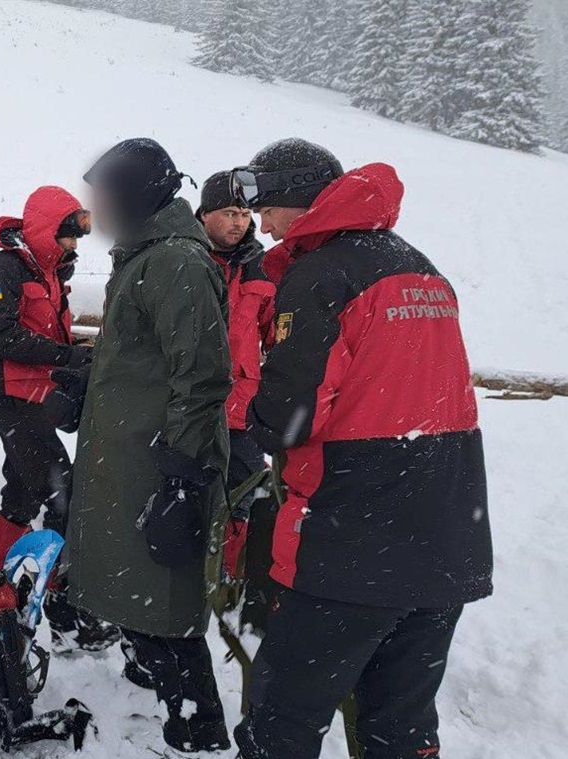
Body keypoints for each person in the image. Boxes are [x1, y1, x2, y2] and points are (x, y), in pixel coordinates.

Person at [230, 138, 493, 758]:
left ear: (299, 198)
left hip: (352, 539)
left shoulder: (322, 274)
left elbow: (290, 418)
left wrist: (240, 406)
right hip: (446, 536)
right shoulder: (419, 267)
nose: (261, 222)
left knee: (282, 719)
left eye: (267, 203)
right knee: (399, 727)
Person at [66, 138, 233, 754]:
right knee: (130, 584)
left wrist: (184, 479)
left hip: (160, 463)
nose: (97, 207)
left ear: (135, 195)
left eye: (106, 195)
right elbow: (147, 359)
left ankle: (197, 728)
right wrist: (86, 380)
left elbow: (203, 376)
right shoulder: (145, 257)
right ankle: (150, 690)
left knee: (163, 601)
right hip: (132, 455)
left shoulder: (176, 263)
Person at [0, 185, 117, 651]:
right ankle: (61, 601)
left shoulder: (49, 271)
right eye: (67, 236)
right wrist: (68, 356)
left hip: (35, 390)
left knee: (23, 486)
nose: (74, 245)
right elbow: (2, 338)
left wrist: (70, 359)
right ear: (43, 230)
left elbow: (48, 332)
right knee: (61, 492)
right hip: (10, 393)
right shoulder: (2, 271)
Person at [196, 171, 279, 634]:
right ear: (204, 214)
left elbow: (274, 335)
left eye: (246, 214)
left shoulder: (262, 268)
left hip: (243, 405)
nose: (240, 223)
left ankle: (229, 581)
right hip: (188, 402)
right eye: (229, 213)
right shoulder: (184, 258)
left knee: (244, 496)